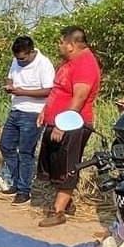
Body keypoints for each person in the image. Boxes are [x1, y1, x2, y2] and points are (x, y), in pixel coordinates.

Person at [36, 26, 101, 228]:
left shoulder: (85, 64)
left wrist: (63, 123)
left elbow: (79, 97)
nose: (59, 45)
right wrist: (45, 112)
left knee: (67, 167)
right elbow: (59, 91)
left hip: (73, 124)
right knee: (54, 165)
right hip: (57, 122)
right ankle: (67, 202)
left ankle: (59, 211)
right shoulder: (70, 63)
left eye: (61, 42)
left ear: (71, 45)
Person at [0, 36, 55, 206]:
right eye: (17, 59)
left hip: (33, 113)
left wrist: (21, 92)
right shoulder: (17, 60)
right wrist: (10, 86)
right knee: (6, 145)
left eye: (23, 58)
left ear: (32, 52)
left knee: (25, 152)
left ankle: (24, 190)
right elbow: (10, 76)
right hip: (16, 109)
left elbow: (49, 90)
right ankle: (16, 182)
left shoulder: (44, 64)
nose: (20, 61)